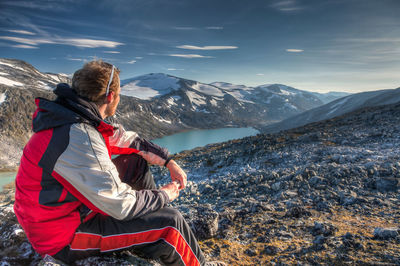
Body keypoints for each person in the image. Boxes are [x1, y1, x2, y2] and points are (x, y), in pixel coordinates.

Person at [14, 60, 223, 265]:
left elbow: (127, 140)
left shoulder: (74, 118)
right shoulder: (79, 136)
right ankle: (170, 243)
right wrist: (165, 194)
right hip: (62, 238)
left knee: (135, 163)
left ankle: (146, 233)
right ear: (111, 96)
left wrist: (169, 161)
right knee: (171, 224)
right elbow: (121, 205)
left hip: (60, 213)